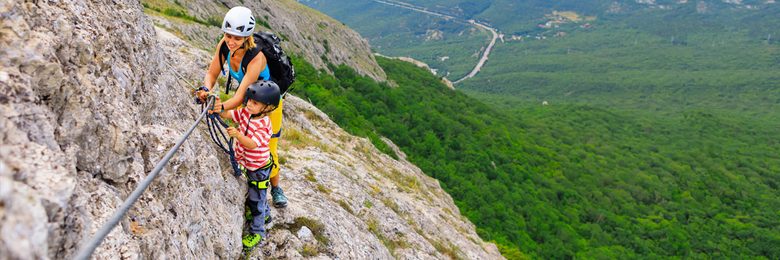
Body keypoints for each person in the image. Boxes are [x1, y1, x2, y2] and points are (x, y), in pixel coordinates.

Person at [197, 6, 288, 208]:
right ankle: (250, 173)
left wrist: (218, 107)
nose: (231, 41)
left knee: (267, 147)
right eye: (228, 35)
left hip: (268, 107)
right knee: (244, 137)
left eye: (237, 38)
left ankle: (276, 188)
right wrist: (205, 88)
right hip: (250, 101)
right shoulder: (224, 46)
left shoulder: (257, 57)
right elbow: (212, 73)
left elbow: (239, 96)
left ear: (246, 37)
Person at [216, 81, 281, 252]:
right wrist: (219, 110)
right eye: (249, 100)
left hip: (258, 168)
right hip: (248, 163)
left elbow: (252, 144)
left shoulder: (265, 125)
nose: (249, 105)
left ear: (267, 108)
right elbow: (232, 114)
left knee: (256, 198)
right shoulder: (246, 112)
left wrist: (237, 135)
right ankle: (266, 216)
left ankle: (258, 231)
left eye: (255, 103)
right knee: (258, 194)